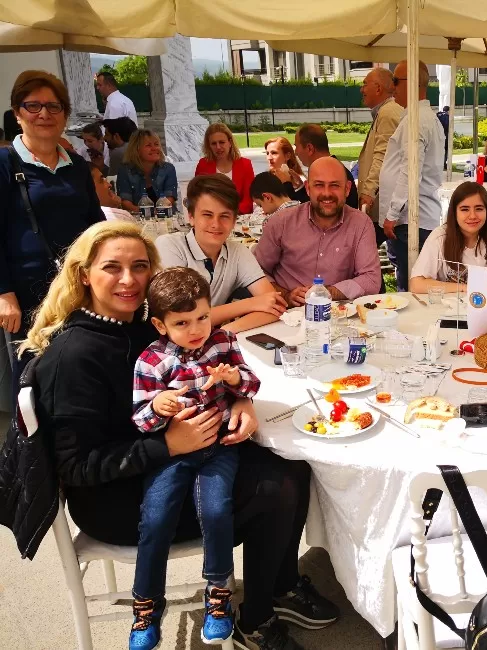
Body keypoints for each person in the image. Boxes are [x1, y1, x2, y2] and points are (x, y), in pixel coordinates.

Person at [22, 220, 338, 650]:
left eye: (139, 266)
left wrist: (240, 401)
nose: (129, 279)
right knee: (276, 486)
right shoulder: (73, 356)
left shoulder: (141, 326)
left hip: (176, 457)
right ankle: (256, 618)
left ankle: (279, 585)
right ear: (84, 275)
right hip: (119, 499)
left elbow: (207, 369)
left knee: (293, 464)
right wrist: (167, 445)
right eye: (112, 267)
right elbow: (76, 468)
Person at [129, 267, 261, 649]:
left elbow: (252, 383)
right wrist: (158, 406)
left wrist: (233, 380)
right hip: (172, 455)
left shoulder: (224, 341)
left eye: (202, 317)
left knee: (217, 510)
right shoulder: (151, 361)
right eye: (182, 322)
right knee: (155, 518)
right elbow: (140, 420)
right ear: (160, 324)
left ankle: (219, 593)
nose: (196, 329)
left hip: (219, 447)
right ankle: (146, 604)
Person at [0, 69, 104, 391]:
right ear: (18, 114)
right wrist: (3, 293)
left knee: (79, 372)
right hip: (27, 293)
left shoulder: (77, 166)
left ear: (64, 114)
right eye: (33, 106)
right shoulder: (4, 164)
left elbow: (95, 225)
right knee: (33, 377)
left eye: (53, 106)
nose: (44, 114)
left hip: (77, 288)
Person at [156, 174, 288, 334]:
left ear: (234, 221)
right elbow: (180, 318)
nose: (216, 224)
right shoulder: (170, 246)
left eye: (224, 216)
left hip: (210, 339)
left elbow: (275, 306)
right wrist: (251, 304)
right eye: (207, 215)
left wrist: (222, 335)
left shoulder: (238, 252)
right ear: (191, 217)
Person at [254, 157, 381, 307]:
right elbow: (255, 272)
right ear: (308, 188)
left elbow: (371, 279)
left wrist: (327, 293)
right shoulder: (281, 222)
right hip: (286, 312)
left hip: (338, 313)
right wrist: (286, 296)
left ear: (347, 189)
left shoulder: (360, 224)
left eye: (334, 185)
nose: (327, 193)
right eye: (319, 185)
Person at [379, 59, 445, 292]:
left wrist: (392, 213)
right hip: (415, 219)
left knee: (411, 291)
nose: (392, 87)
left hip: (411, 221)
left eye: (396, 81)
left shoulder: (416, 120)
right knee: (413, 285)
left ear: (412, 83)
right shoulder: (423, 118)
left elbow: (410, 171)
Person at [409, 181, 487, 293]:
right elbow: (416, 284)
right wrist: (464, 288)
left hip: (479, 303)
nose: (472, 216)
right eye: (465, 209)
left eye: (479, 209)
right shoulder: (440, 237)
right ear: (454, 212)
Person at [357, 67, 404, 245]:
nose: (361, 89)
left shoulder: (387, 112)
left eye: (365, 84)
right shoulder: (387, 111)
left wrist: (368, 191)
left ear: (378, 88)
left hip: (383, 205)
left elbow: (382, 155)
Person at [292, 123, 359, 209]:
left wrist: (286, 184)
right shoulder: (337, 169)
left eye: (297, 146)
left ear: (309, 148)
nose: (296, 152)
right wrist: (300, 187)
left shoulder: (330, 172)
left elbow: (318, 210)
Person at [195, 122, 255, 214]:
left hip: (238, 215)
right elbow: (198, 196)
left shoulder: (245, 164)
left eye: (222, 142)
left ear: (230, 143)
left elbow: (248, 200)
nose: (218, 147)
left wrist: (228, 213)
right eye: (213, 143)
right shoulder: (203, 165)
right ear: (209, 146)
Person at [117, 129, 178, 213]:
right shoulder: (125, 171)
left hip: (166, 216)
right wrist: (147, 213)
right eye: (148, 145)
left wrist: (156, 212)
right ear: (136, 149)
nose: (154, 148)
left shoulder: (168, 169)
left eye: (156, 144)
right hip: (137, 217)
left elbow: (169, 198)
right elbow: (125, 202)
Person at [265, 136, 305, 201]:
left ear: (287, 156)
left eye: (274, 153)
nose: (269, 158)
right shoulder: (266, 180)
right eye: (267, 153)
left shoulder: (299, 181)